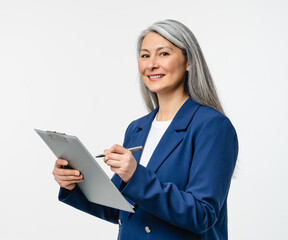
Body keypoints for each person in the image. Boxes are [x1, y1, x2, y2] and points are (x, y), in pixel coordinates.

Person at [52, 19, 238, 240]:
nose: (151, 64)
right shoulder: (137, 128)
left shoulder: (212, 126)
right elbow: (121, 209)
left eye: (164, 54)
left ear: (188, 62)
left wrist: (135, 176)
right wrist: (73, 183)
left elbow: (202, 215)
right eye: (145, 55)